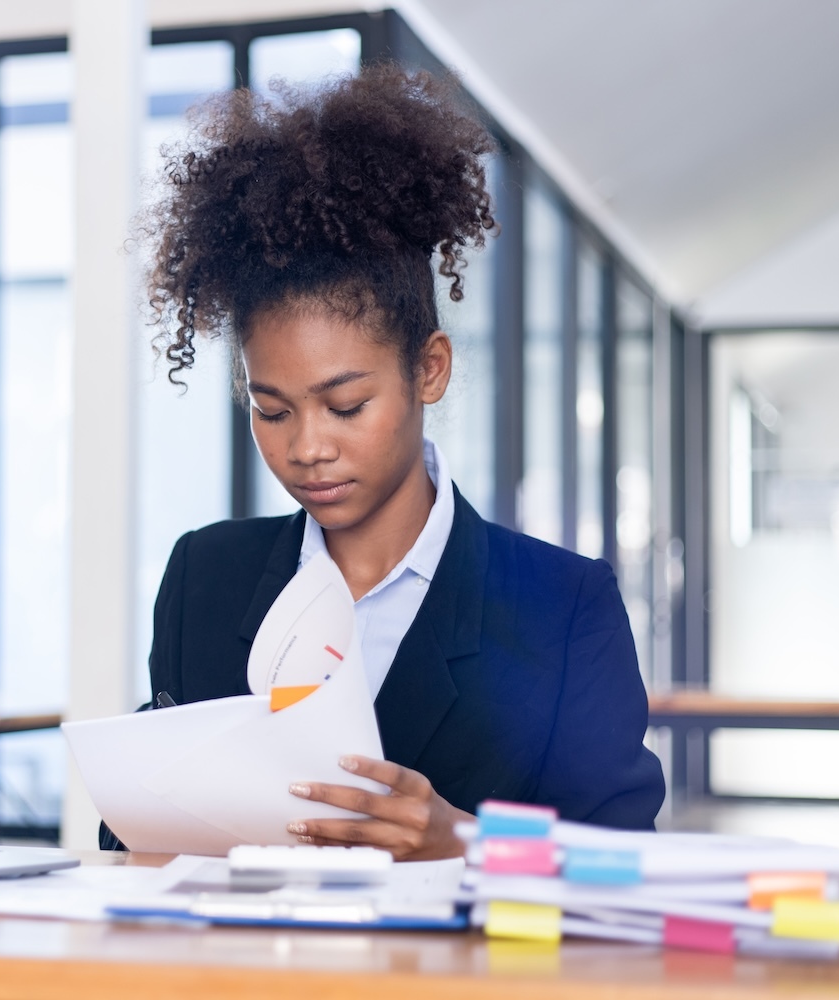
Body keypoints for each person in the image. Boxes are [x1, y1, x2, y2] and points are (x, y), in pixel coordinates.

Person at [100, 64, 664, 861]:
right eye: (272, 409)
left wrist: (463, 839)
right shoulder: (206, 575)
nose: (307, 447)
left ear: (428, 368)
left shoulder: (562, 609)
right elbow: (136, 821)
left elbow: (625, 860)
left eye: (346, 405)